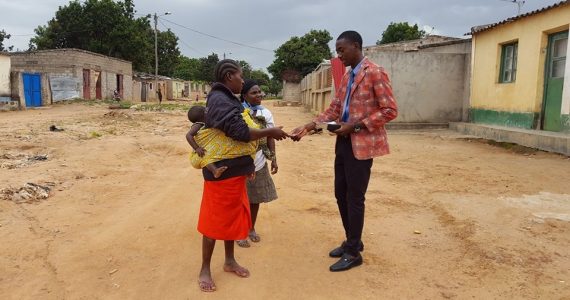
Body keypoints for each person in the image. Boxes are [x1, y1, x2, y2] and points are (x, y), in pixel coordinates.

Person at [290, 31, 398, 272]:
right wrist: (309, 126)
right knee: (341, 193)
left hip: (361, 144)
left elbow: (390, 110)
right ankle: (353, 241)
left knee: (355, 197)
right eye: (337, 51)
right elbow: (335, 109)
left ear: (356, 46)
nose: (338, 55)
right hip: (343, 142)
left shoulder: (374, 72)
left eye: (342, 50)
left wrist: (356, 125)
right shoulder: (348, 75)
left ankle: (353, 252)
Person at [196, 59, 289, 292]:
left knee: (233, 218)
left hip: (235, 172)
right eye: (240, 76)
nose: (243, 80)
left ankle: (229, 261)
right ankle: (205, 268)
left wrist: (248, 167)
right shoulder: (220, 99)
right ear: (229, 76)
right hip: (221, 175)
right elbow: (240, 132)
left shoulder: (228, 98)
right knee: (214, 221)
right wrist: (271, 131)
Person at [236, 80, 279, 248]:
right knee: (239, 200)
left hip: (259, 161)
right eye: (254, 93)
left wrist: (273, 158)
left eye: (259, 92)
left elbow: (270, 136)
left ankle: (251, 228)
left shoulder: (266, 113)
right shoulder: (239, 112)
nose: (259, 95)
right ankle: (239, 231)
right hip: (239, 162)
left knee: (255, 199)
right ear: (244, 95)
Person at [185, 105, 259, 178]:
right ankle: (215, 171)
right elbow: (189, 135)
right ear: (205, 113)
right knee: (205, 158)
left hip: (211, 147)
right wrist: (197, 148)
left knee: (207, 158)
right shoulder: (199, 124)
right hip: (201, 149)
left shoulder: (211, 120)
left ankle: (215, 170)